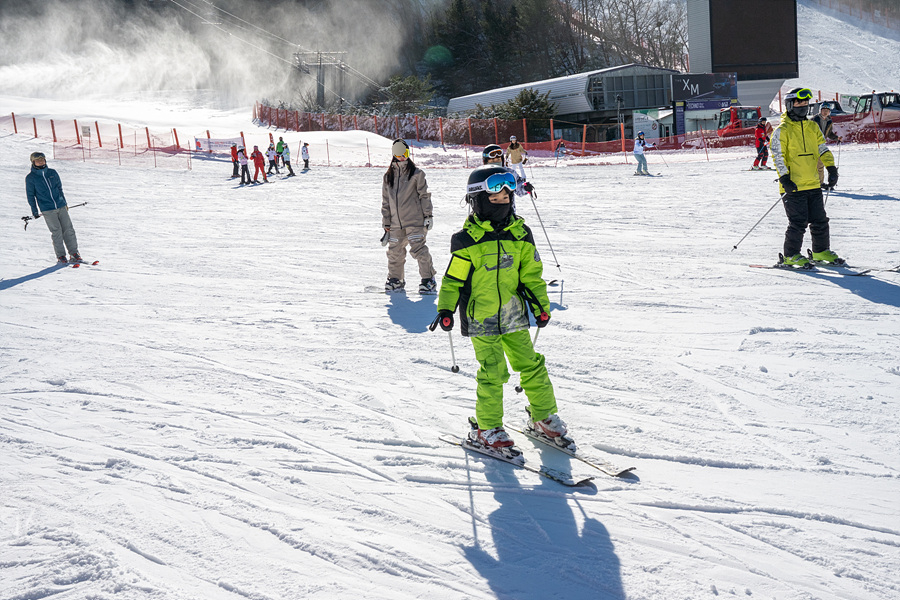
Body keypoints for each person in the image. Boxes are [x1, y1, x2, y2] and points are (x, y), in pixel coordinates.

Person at [434, 165, 571, 453]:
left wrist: (541, 307)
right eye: (495, 199)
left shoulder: (521, 235)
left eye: (507, 198)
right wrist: (446, 309)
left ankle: (543, 416)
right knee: (494, 371)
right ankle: (488, 427)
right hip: (480, 316)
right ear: (479, 201)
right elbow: (453, 279)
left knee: (531, 364)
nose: (503, 203)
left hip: (513, 314)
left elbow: (531, 275)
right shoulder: (466, 240)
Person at [771, 87, 841, 267]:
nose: (803, 106)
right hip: (793, 185)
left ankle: (820, 251)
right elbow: (778, 157)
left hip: (813, 183)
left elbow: (822, 148)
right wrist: (784, 178)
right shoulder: (782, 130)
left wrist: (831, 168)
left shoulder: (812, 127)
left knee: (820, 221)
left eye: (805, 103)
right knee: (798, 222)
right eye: (799, 102)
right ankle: (791, 255)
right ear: (789, 105)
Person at [381, 139, 436, 292]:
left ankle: (428, 279)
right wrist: (386, 224)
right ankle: (395, 279)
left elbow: (424, 195)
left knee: (419, 250)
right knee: (394, 252)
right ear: (394, 154)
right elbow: (386, 202)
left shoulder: (417, 174)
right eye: (398, 153)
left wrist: (428, 215)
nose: (402, 156)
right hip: (395, 224)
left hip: (415, 221)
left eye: (405, 153)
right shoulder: (388, 177)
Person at [25, 152, 82, 264]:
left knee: (69, 229)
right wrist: (34, 211)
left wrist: (64, 202)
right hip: (47, 209)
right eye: (38, 160)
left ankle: (74, 253)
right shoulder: (30, 178)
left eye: (43, 159)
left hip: (60, 206)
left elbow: (59, 188)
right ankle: (61, 256)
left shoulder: (52, 173)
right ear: (33, 162)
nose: (41, 161)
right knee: (57, 232)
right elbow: (31, 195)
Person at [811, 104, 842, 189]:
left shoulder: (829, 121)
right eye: (824, 110)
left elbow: (829, 134)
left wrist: (836, 138)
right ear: (820, 111)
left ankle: (820, 183)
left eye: (827, 111)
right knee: (813, 165)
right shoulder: (814, 120)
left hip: (821, 145)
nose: (825, 112)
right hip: (812, 144)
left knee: (820, 165)